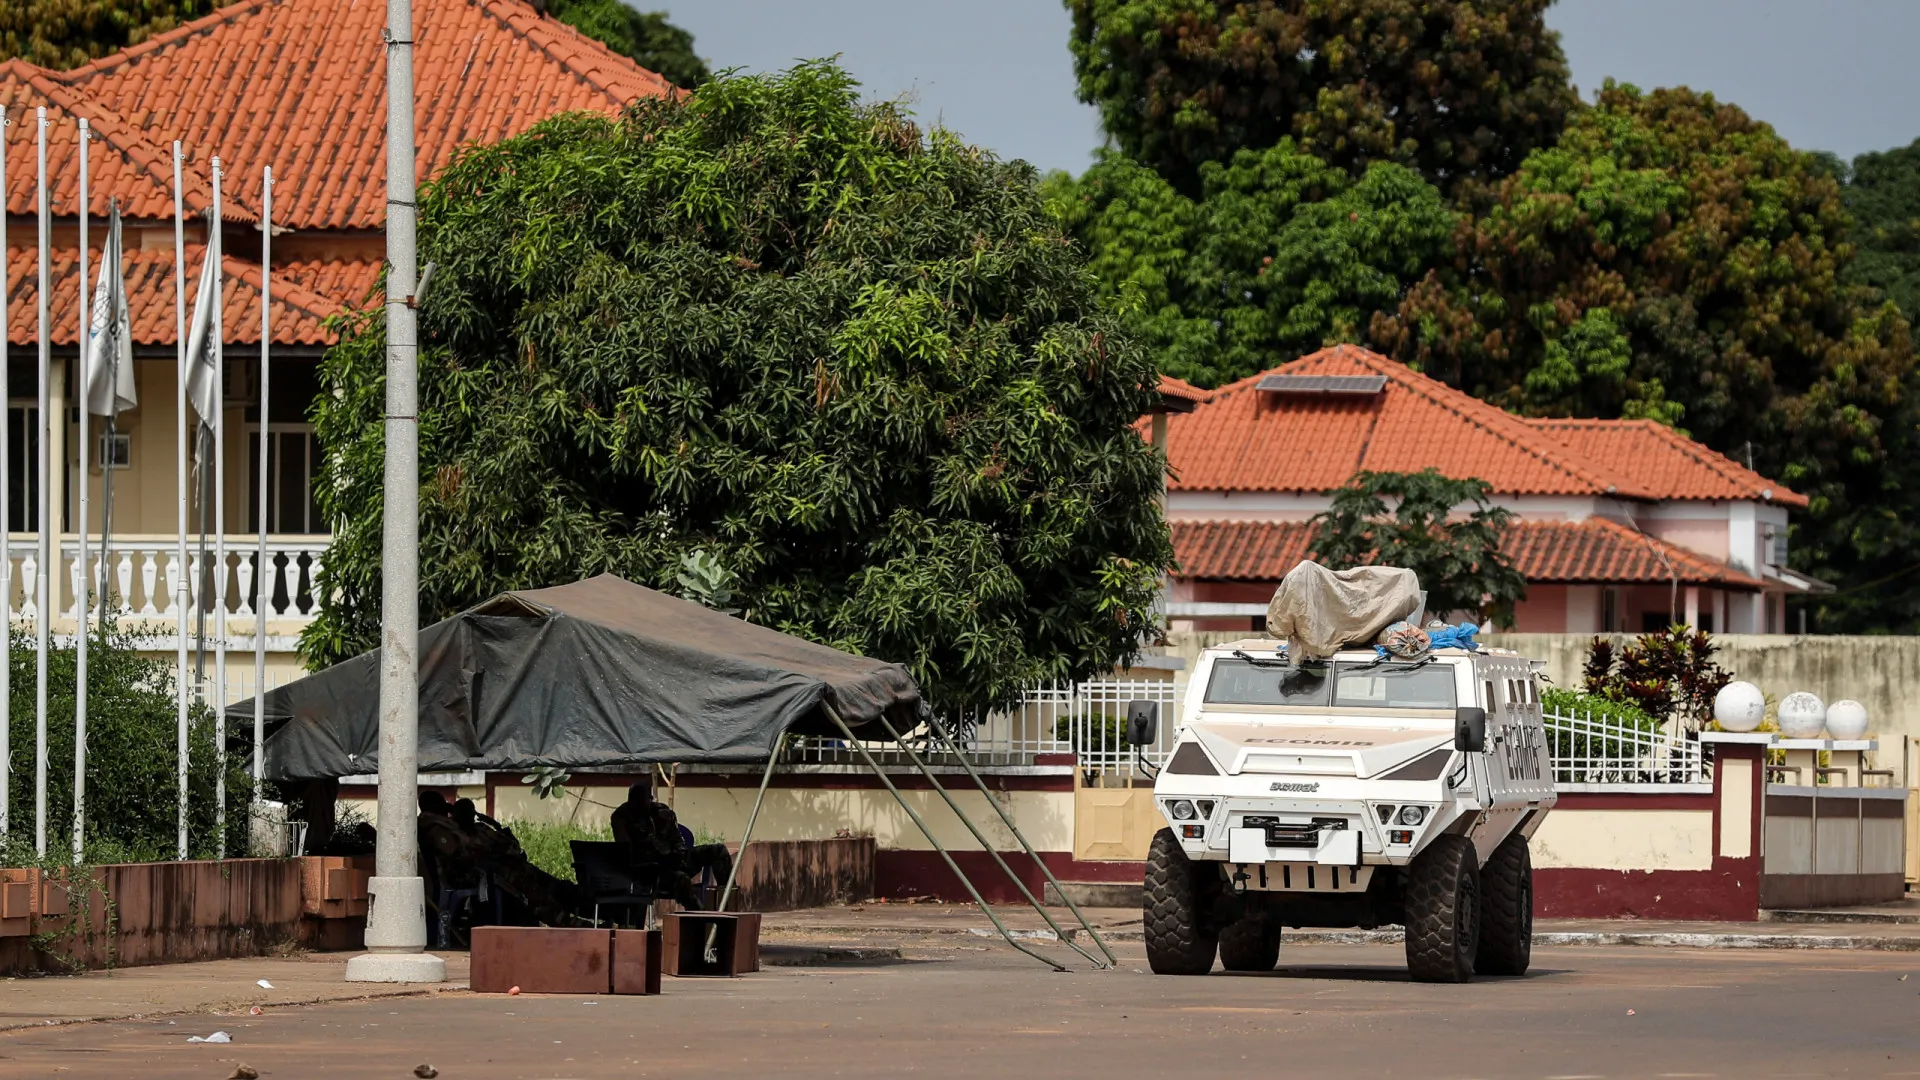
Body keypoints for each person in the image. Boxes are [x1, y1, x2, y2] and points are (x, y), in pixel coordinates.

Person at [609, 775, 733, 909]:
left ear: (649, 799)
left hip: (677, 859)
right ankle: (700, 919)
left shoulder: (661, 811)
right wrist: (656, 851)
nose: (639, 805)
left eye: (643, 801)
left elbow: (678, 839)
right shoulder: (621, 817)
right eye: (635, 801)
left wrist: (678, 850)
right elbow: (626, 850)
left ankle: (729, 903)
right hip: (653, 871)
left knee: (718, 850)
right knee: (681, 879)